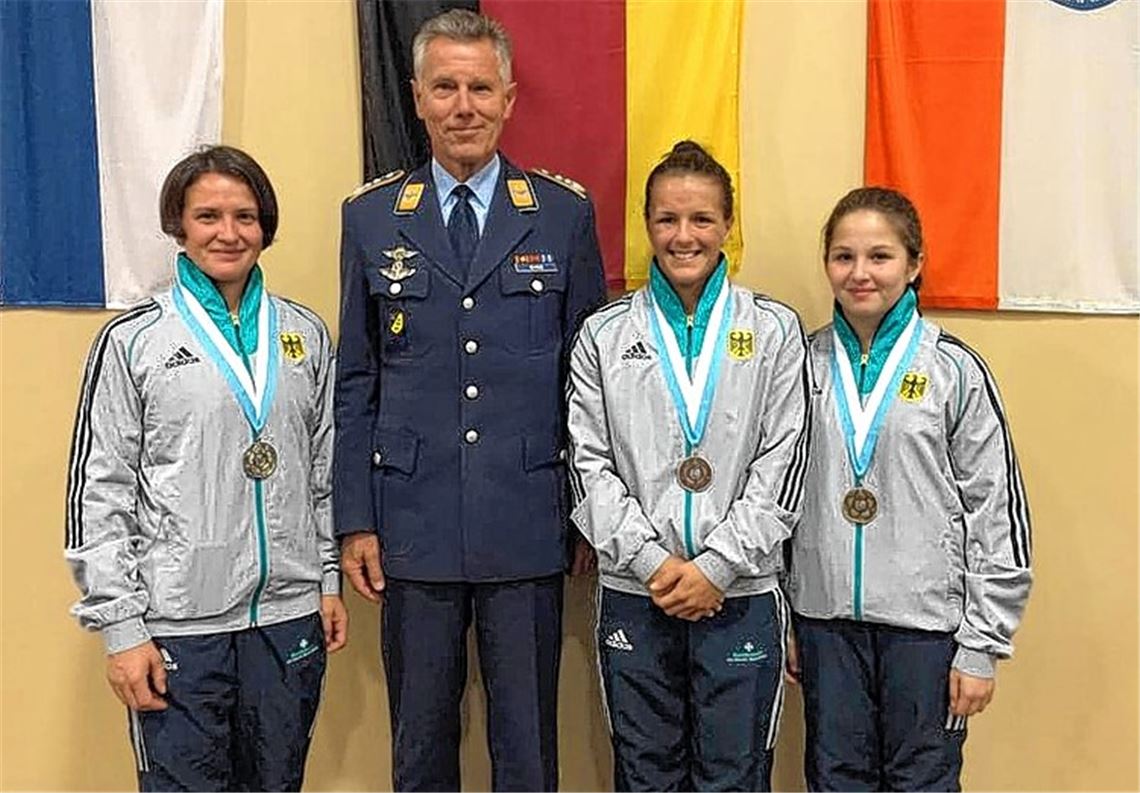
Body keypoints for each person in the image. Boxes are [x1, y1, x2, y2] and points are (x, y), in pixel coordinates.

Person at [333, 8, 606, 791]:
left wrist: (585, 511)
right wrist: (356, 517)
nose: (464, 107)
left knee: (528, 745)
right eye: (446, 88)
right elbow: (358, 379)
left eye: (481, 88)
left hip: (528, 517)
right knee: (420, 743)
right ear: (417, 97)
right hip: (411, 519)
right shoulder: (370, 217)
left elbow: (588, 385)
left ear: (509, 98)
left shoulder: (561, 214)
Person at [64, 145, 346, 791]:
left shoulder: (304, 334)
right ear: (179, 227)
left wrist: (326, 580)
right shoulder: (133, 340)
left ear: (265, 226)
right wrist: (121, 627)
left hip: (286, 618)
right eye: (208, 216)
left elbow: (324, 472)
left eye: (245, 216)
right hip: (177, 627)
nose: (228, 233)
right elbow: (99, 492)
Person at [565, 140, 812, 791]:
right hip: (636, 590)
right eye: (667, 219)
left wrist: (717, 566)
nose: (684, 236)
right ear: (647, 224)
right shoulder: (603, 334)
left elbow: (786, 463)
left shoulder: (775, 329)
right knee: (645, 776)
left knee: (735, 777)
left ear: (728, 223)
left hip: (741, 591)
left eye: (701, 218)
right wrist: (654, 563)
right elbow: (587, 466)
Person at [786, 187, 1033, 791]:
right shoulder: (799, 365)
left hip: (926, 632)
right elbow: (775, 495)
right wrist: (787, 615)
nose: (860, 273)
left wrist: (982, 645)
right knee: (834, 780)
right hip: (825, 623)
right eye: (844, 256)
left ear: (914, 264)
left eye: (880, 256)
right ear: (826, 263)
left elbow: (995, 511)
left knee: (922, 781)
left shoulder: (954, 370)